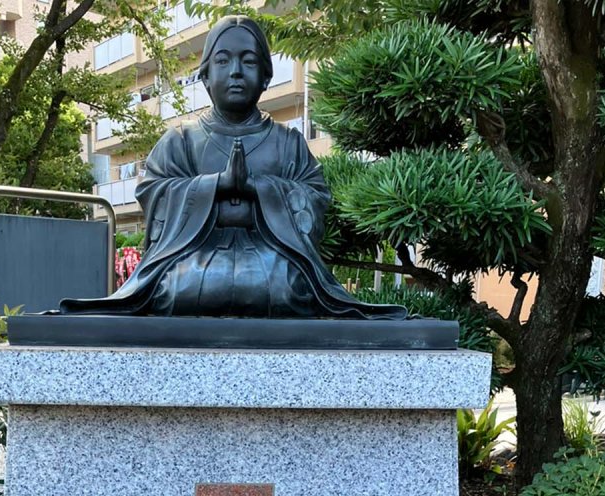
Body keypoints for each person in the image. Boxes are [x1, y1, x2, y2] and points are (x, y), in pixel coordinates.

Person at [61, 16, 406, 320]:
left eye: (249, 61)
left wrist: (258, 187)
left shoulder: (288, 142)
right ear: (207, 77)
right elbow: (153, 190)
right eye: (223, 61)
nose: (236, 72)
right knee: (173, 286)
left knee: (293, 286)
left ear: (266, 77)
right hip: (193, 259)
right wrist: (216, 185)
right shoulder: (181, 140)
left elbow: (314, 197)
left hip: (274, 259)